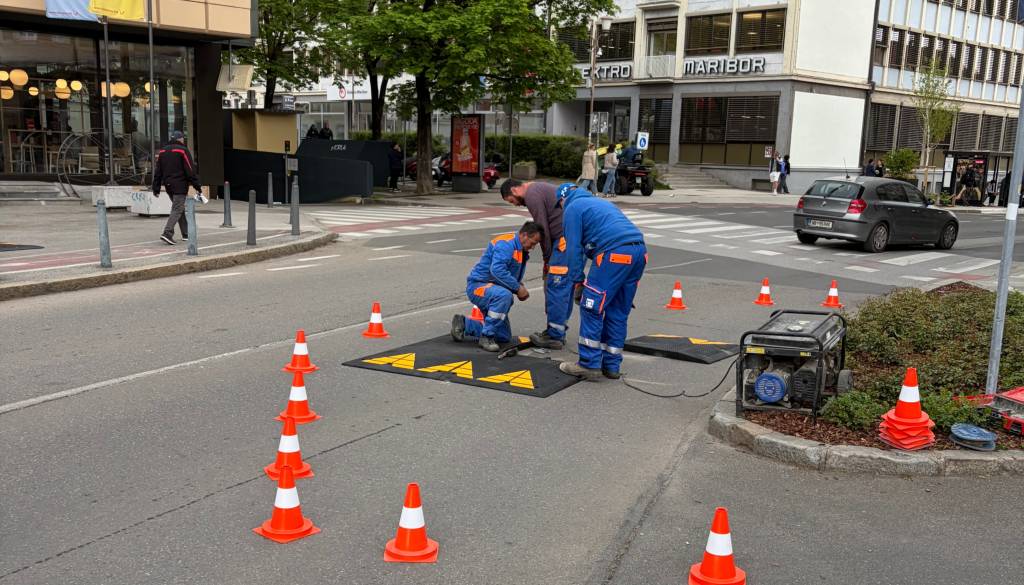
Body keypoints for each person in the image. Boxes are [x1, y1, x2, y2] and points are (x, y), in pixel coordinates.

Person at [558, 186, 647, 380]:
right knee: (618, 310)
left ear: (562, 199)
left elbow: (573, 249)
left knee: (591, 306)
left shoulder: (573, 208)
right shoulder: (601, 203)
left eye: (560, 205)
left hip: (614, 254)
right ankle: (611, 365)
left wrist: (578, 281)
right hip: (639, 252)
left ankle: (589, 364)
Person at [500, 179, 576, 349]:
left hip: (564, 242)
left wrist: (547, 258)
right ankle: (558, 330)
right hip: (572, 239)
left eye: (512, 201)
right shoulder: (538, 188)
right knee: (564, 286)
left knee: (555, 285)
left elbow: (541, 229)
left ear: (515, 190)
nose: (515, 205)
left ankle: (555, 335)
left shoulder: (532, 194)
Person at [451, 222, 544, 352]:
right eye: (533, 243)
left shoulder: (519, 249)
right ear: (524, 235)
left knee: (503, 337)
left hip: (493, 289)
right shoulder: (506, 244)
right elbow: (497, 270)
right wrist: (517, 288)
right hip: (478, 287)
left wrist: (518, 286)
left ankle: (465, 323)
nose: (533, 247)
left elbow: (507, 274)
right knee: (504, 296)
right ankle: (486, 337)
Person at [153, 130, 202, 245]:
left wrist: (156, 188)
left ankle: (186, 233)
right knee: (177, 209)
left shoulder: (163, 151)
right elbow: (190, 170)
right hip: (180, 185)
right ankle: (167, 233)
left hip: (168, 185)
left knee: (179, 208)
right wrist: (197, 186)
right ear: (181, 139)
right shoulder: (182, 150)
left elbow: (158, 172)